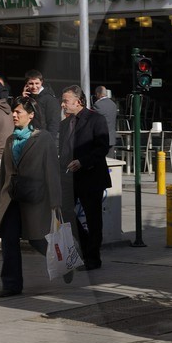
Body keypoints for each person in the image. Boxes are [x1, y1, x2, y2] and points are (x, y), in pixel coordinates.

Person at [0, 96, 64, 298]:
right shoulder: (10, 140)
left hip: (35, 198)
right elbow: (4, 172)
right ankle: (11, 285)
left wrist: (56, 203)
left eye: (19, 112)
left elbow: (52, 171)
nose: (14, 116)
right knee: (8, 240)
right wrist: (1, 198)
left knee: (37, 240)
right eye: (13, 112)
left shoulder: (43, 139)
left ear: (31, 115)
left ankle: (64, 260)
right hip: (12, 199)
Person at [59, 84, 111, 271]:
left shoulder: (96, 120)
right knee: (65, 213)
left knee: (93, 218)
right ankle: (86, 245)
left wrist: (82, 161)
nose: (63, 105)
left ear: (78, 101)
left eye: (65, 101)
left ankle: (93, 257)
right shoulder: (65, 124)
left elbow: (102, 147)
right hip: (69, 179)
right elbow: (63, 150)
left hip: (91, 177)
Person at [23, 70, 61, 137]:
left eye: (37, 83)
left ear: (41, 82)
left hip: (43, 139)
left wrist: (49, 142)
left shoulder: (49, 99)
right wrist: (23, 100)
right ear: (26, 84)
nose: (34, 87)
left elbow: (53, 123)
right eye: (31, 84)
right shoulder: (28, 98)